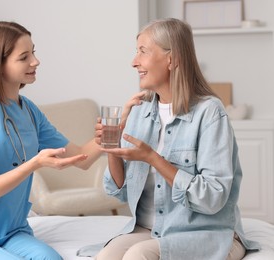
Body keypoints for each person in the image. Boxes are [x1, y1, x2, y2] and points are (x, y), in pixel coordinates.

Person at [92, 18, 260, 260]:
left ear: (172, 59)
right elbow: (119, 190)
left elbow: (213, 197)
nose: (134, 61)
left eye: (143, 51)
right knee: (105, 257)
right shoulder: (140, 110)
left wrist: (153, 158)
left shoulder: (210, 112)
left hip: (203, 231)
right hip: (152, 229)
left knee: (137, 255)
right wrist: (113, 146)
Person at [0, 21, 101, 260]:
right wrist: (35, 163)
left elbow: (81, 158)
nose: (35, 61)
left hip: (11, 230)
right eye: (24, 57)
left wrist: (112, 133)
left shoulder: (29, 110)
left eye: (33, 52)